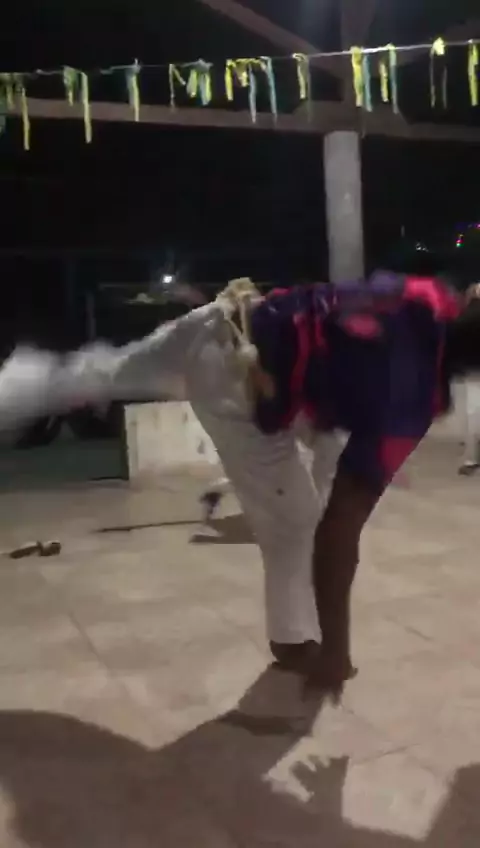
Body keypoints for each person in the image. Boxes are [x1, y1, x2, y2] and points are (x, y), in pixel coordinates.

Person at [0, 272, 479, 697]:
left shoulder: (429, 296)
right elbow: (339, 531)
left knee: (103, 372)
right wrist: (337, 650)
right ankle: (292, 641)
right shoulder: (409, 398)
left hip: (222, 318)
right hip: (237, 379)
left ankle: (14, 388)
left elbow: (344, 339)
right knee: (295, 521)